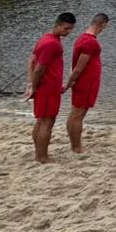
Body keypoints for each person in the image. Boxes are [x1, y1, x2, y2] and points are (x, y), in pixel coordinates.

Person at [26, 12, 75, 163]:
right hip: (47, 90)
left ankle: (39, 154)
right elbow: (38, 68)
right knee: (47, 122)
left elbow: (31, 60)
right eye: (66, 28)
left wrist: (30, 84)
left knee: (41, 121)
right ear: (58, 25)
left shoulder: (46, 38)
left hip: (47, 88)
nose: (68, 32)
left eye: (71, 29)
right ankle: (42, 156)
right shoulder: (51, 43)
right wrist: (33, 87)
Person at [62, 12, 109, 154]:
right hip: (86, 83)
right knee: (78, 115)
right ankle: (76, 146)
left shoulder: (81, 38)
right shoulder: (90, 42)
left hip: (83, 83)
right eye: (104, 27)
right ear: (102, 25)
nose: (103, 30)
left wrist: (70, 83)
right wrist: (68, 84)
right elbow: (79, 68)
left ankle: (74, 144)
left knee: (74, 113)